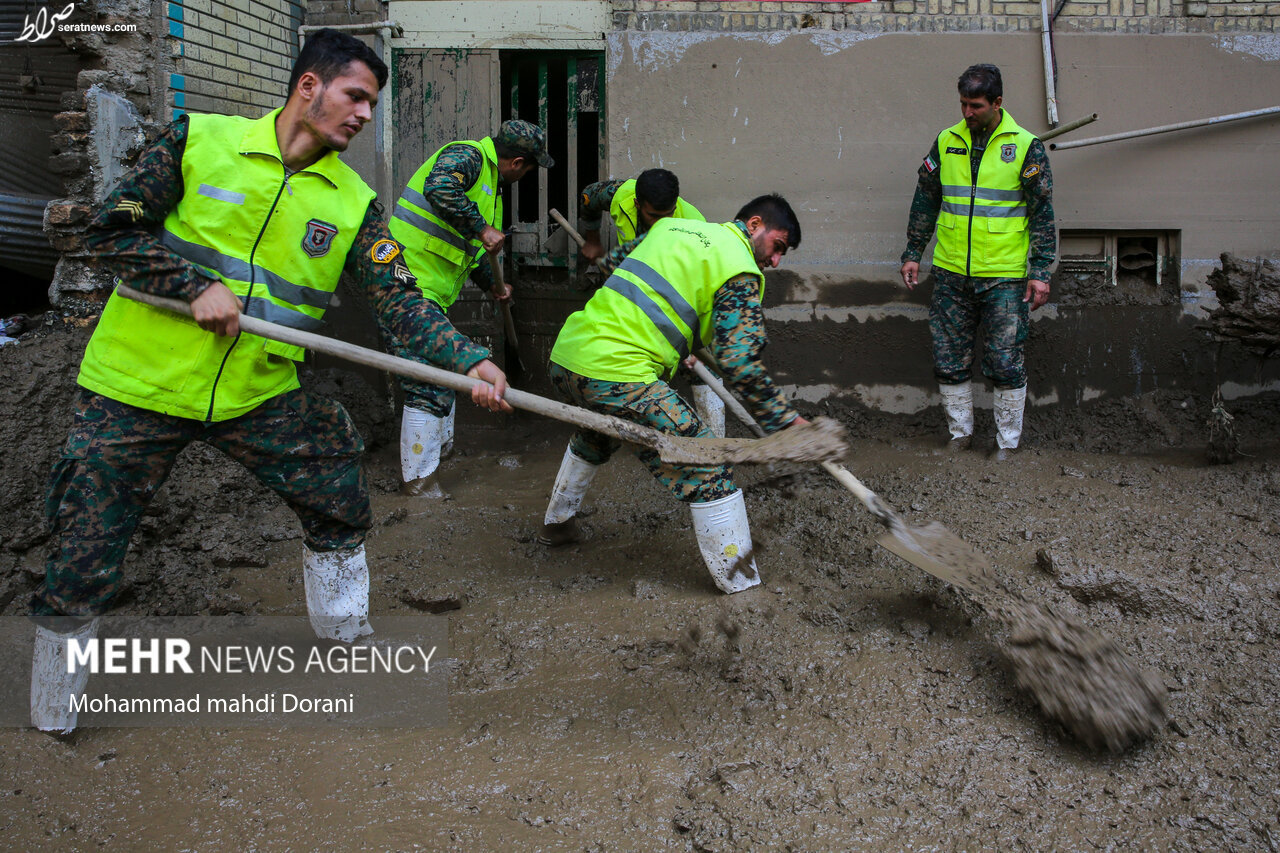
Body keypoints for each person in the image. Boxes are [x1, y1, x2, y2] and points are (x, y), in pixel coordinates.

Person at [28, 29, 512, 734]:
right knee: (82, 551)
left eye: (373, 105)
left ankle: (346, 638)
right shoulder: (199, 139)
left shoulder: (352, 202)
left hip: (257, 392)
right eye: (356, 96)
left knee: (337, 488)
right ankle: (51, 718)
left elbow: (401, 301)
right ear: (309, 87)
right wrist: (192, 285)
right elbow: (110, 232)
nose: (364, 115)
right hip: (137, 386)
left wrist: (465, 358)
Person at [538, 194, 807, 595]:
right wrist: (787, 422)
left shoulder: (670, 228)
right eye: (777, 247)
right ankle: (743, 588)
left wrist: (679, 338)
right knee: (708, 465)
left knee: (601, 429)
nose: (776, 261)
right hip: (618, 374)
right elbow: (741, 364)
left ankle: (557, 526)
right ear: (754, 225)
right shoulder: (738, 267)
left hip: (568, 358)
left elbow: (600, 275)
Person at [899, 63, 1055, 461]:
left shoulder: (1024, 145)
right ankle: (959, 435)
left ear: (998, 102)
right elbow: (926, 199)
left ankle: (1006, 442)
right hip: (951, 271)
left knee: (1004, 361)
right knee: (948, 359)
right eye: (963, 104)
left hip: (1004, 276)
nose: (967, 113)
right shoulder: (946, 140)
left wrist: (1040, 272)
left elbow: (1042, 213)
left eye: (976, 105)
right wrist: (913, 252)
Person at [389, 119, 553, 496]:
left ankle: (436, 457)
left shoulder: (488, 187)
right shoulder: (468, 156)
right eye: (529, 168)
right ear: (516, 163)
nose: (525, 175)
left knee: (440, 378)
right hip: (404, 285)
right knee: (426, 383)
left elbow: (473, 251)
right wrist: (482, 228)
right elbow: (438, 187)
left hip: (430, 292)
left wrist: (493, 285)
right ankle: (420, 485)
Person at [576, 169, 724, 435]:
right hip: (633, 299)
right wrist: (593, 239)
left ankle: (715, 439)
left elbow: (706, 288)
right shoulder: (619, 195)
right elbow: (589, 197)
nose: (661, 225)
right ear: (637, 204)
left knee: (701, 365)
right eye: (654, 216)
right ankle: (633, 429)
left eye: (667, 215)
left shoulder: (696, 226)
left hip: (680, 303)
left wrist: (694, 336)